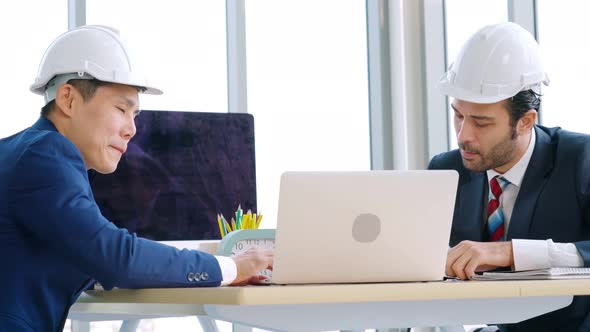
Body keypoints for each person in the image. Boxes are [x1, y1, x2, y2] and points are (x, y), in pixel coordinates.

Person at [0, 25, 273, 332]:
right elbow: (116, 256)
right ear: (69, 99)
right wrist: (232, 266)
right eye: (121, 109)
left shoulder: (18, 153)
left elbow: (88, 255)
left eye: (135, 116)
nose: (132, 129)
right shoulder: (46, 154)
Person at [428, 22, 590, 331]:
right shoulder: (445, 172)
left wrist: (511, 252)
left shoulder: (580, 159)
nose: (464, 135)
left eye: (482, 122)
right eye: (458, 115)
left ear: (526, 121)